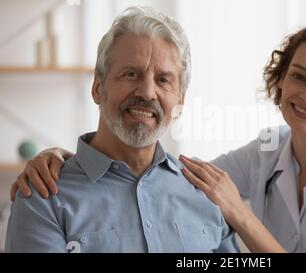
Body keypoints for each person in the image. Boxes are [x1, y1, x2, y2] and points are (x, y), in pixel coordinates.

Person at [11, 20, 306, 253]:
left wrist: (240, 214)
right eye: (299, 77)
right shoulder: (261, 156)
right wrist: (63, 157)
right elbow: (161, 176)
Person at [5, 7, 238, 253]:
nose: (147, 93)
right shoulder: (42, 198)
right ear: (98, 87)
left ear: (180, 100)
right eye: (131, 74)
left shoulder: (206, 191)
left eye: (163, 80)